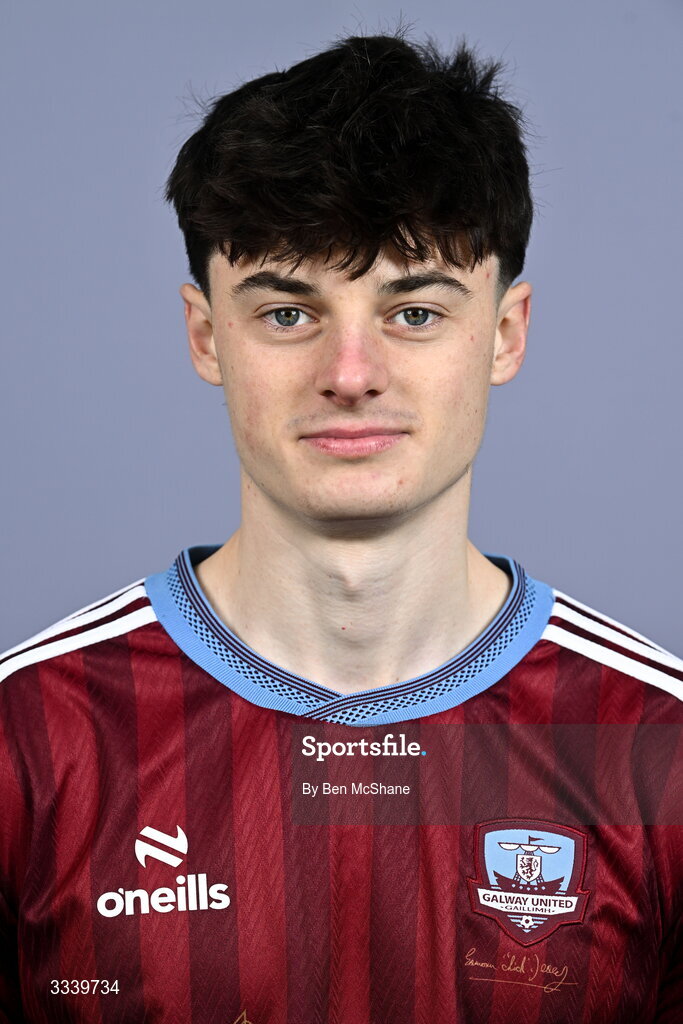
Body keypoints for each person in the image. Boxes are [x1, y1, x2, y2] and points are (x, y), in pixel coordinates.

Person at [0, 31, 680, 1024]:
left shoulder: (654, 748)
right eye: (286, 312)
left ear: (504, 332)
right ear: (204, 335)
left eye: (412, 312)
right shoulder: (28, 741)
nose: (349, 371)